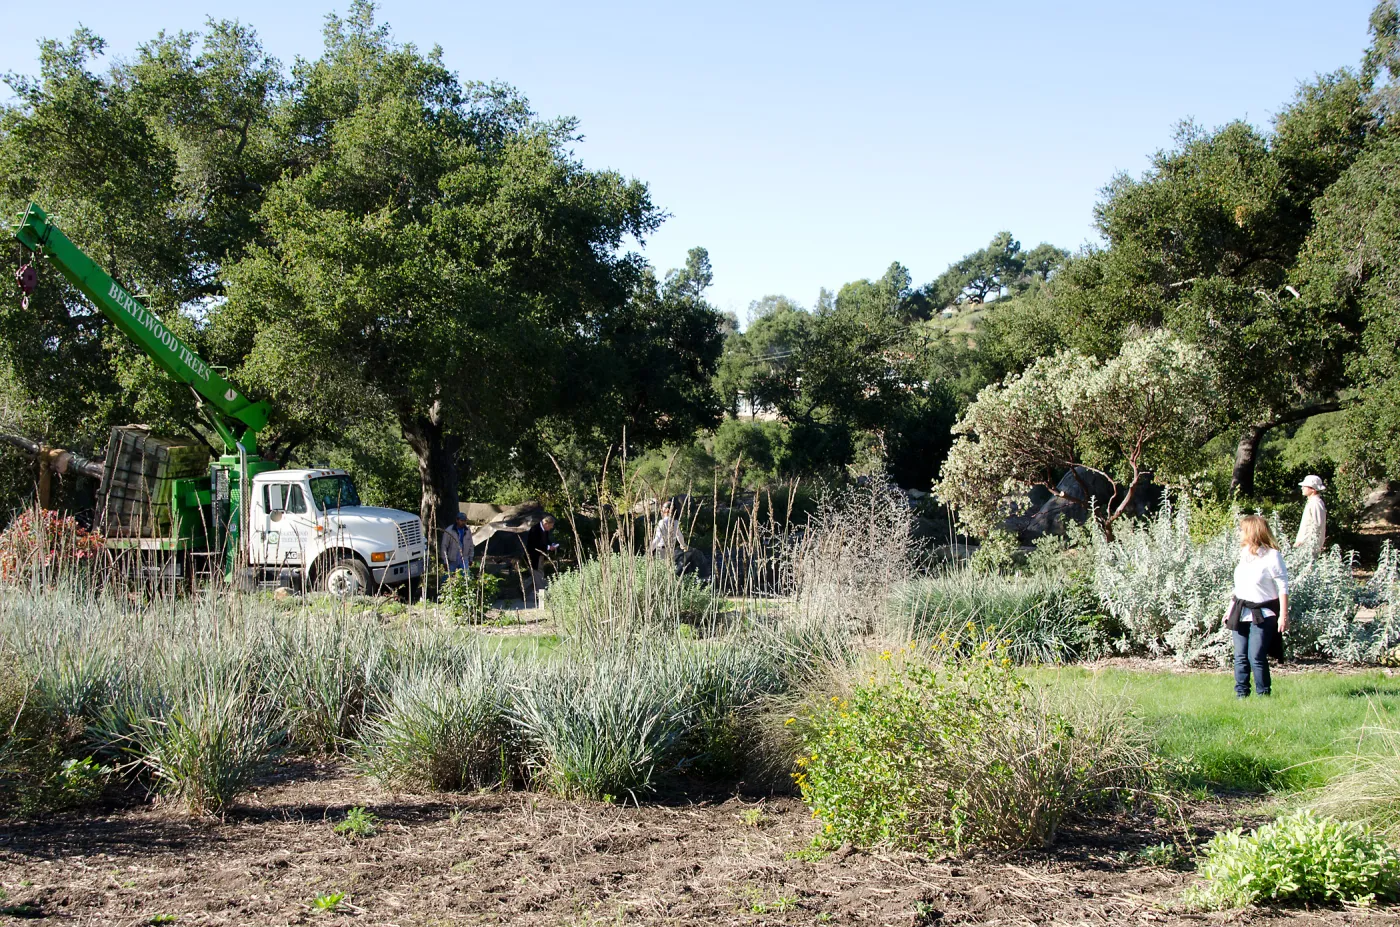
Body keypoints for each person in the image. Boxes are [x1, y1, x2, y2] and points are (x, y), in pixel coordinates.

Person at [1222, 514, 1290, 698]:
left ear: (1252, 532)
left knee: (1256, 657)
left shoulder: (1272, 556)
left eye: (1242, 530)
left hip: (1263, 613)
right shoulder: (1244, 554)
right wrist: (1230, 610)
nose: (1239, 533)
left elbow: (1283, 585)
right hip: (1241, 611)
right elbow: (1240, 586)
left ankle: (1263, 694)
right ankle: (1241, 694)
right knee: (1240, 656)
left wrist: (1283, 615)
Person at [524, 514, 557, 601]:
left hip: (540, 556)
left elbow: (546, 541)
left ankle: (525, 589)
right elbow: (534, 545)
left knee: (538, 573)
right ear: (546, 523)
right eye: (550, 526)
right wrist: (549, 547)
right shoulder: (535, 529)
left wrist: (551, 544)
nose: (550, 528)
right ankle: (542, 596)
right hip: (534, 556)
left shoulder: (544, 529)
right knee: (538, 574)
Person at [1295, 474, 1328, 556]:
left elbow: (1317, 525)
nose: (1302, 488)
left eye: (1305, 486)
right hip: (1305, 545)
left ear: (1313, 489)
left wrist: (1302, 541)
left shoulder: (1316, 503)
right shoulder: (1312, 502)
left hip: (1309, 546)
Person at [650, 500, 687, 568]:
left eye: (663, 507)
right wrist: (683, 545)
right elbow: (679, 535)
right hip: (671, 550)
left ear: (668, 509)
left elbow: (658, 538)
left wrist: (650, 549)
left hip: (661, 551)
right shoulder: (675, 522)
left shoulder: (662, 522)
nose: (661, 508)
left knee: (660, 571)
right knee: (669, 570)